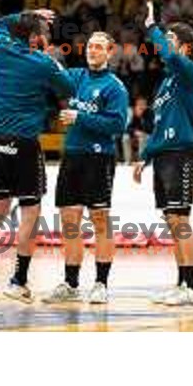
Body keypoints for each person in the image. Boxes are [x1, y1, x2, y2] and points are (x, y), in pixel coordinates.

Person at [0, 9, 73, 303]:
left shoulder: (1, 48)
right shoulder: (43, 63)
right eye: (46, 34)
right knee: (30, 211)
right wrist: (51, 58)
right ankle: (18, 281)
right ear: (37, 38)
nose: (49, 39)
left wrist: (30, 13)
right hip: (23, 142)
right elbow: (69, 88)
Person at [42, 32, 129, 305]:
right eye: (90, 46)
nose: (93, 50)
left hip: (98, 158)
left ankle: (101, 283)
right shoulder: (77, 76)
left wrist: (82, 117)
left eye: (99, 47)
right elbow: (52, 73)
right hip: (72, 157)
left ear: (110, 52)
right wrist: (43, 54)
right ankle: (71, 283)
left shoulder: (115, 87)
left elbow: (116, 126)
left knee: (100, 221)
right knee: (70, 222)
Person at [133, 1, 193, 306]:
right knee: (173, 222)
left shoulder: (191, 72)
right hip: (162, 157)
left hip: (181, 155)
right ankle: (181, 285)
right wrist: (145, 156)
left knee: (181, 220)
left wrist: (152, 27)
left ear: (185, 48)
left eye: (172, 42)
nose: (166, 47)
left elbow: (167, 53)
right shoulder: (164, 83)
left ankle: (190, 288)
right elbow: (160, 125)